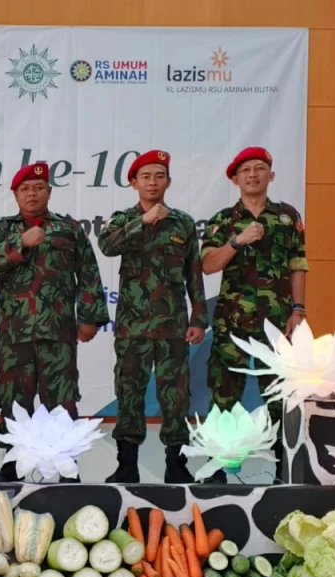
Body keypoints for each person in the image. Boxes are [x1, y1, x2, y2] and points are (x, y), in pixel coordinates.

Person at [0, 162, 110, 483]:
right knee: (13, 399)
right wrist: (21, 243)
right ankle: (11, 465)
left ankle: (67, 468)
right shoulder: (4, 229)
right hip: (16, 332)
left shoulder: (68, 228)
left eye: (39, 188)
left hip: (58, 331)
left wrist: (90, 317)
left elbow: (88, 272)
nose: (32, 194)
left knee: (61, 400)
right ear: (15, 194)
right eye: (25, 189)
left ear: (49, 192)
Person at [98, 150, 208, 484]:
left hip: (173, 325)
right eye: (145, 176)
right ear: (134, 182)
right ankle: (126, 465)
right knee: (129, 392)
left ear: (169, 182)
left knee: (175, 396)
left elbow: (194, 274)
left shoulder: (183, 223)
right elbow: (107, 246)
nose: (153, 182)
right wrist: (141, 223)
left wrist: (199, 318)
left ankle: (176, 464)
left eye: (160, 176)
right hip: (133, 327)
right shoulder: (122, 220)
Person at [201, 146, 308, 483]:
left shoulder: (287, 217)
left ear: (270, 176)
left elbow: (298, 265)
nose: (252, 174)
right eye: (245, 170)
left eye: (259, 168)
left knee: (278, 394)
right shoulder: (222, 220)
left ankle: (282, 465)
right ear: (235, 179)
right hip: (231, 320)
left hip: (277, 322)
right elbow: (208, 265)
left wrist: (299, 309)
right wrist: (237, 241)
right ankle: (220, 464)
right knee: (224, 394)